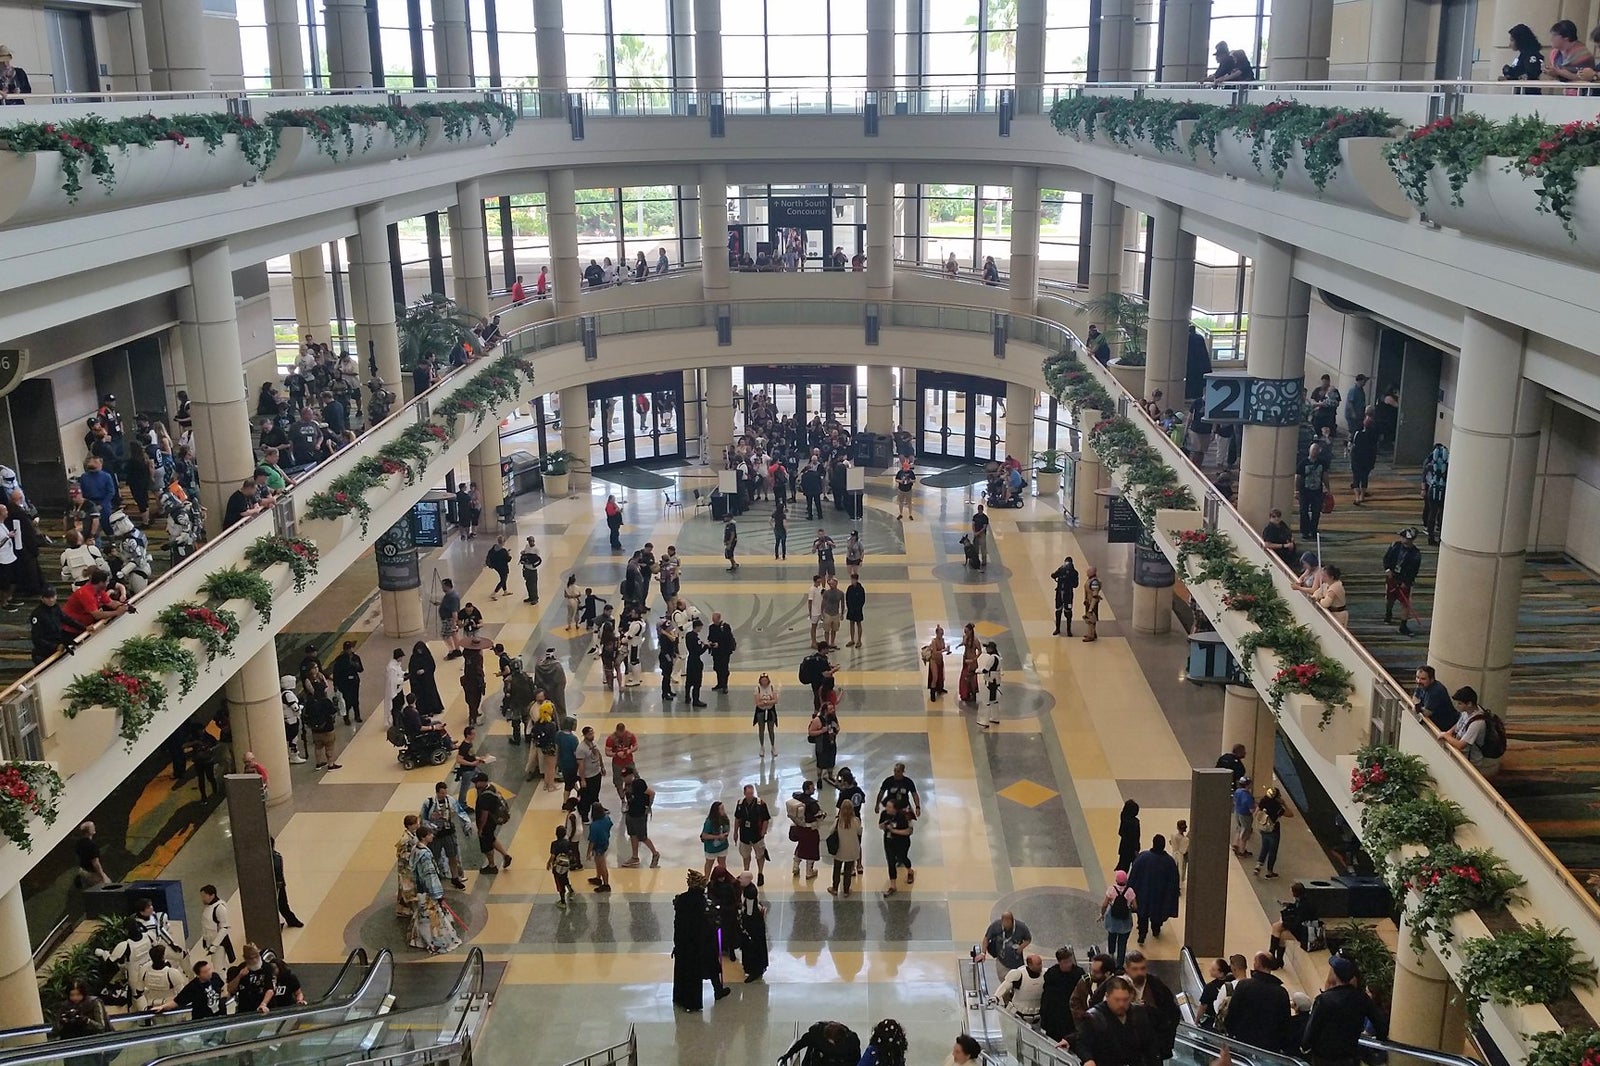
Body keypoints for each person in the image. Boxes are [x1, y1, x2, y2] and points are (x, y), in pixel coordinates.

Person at [1303, 955, 1387, 1066]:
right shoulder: (1362, 998)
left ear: (1336, 975)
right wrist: (1378, 1042)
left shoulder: (1323, 1000)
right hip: (1349, 1055)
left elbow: (1313, 1027)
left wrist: (1305, 1046)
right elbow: (1380, 1023)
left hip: (1324, 1057)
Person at [672, 870, 730, 1011]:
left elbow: (678, 923)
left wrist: (676, 943)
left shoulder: (681, 900)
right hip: (702, 944)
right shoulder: (703, 903)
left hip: (683, 943)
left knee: (684, 971)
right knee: (711, 967)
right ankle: (715, 992)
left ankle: (681, 998)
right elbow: (709, 923)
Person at [1075, 975, 1161, 1066]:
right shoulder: (1094, 1017)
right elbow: (1082, 1043)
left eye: (1125, 1000)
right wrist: (1088, 1059)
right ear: (1107, 997)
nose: (1121, 1004)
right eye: (1117, 1000)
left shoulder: (1138, 1014)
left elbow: (1150, 1045)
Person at [1224, 951, 1293, 1052]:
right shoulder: (1281, 993)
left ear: (1258, 964)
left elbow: (1232, 1013)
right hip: (1269, 1047)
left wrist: (1231, 1032)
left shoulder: (1244, 985)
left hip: (1242, 1042)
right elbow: (1284, 1023)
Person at [1121, 951, 1181, 1059]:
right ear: (1126, 968)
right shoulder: (1117, 984)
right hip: (1124, 1048)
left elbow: (1172, 1013)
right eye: (1135, 969)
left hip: (1152, 1050)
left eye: (1142, 968)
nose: (1140, 972)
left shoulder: (1155, 985)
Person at [1439, 685, 1504, 775]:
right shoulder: (1467, 711)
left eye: (1460, 703)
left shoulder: (1477, 723)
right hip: (1463, 755)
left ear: (1469, 704)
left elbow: (1460, 745)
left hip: (1470, 762)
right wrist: (1449, 732)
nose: (1457, 706)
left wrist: (1445, 735)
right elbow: (1459, 724)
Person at [1127, 835, 1180, 943]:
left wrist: (1129, 891)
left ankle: (1142, 933)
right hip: (1160, 896)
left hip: (1143, 894)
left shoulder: (1142, 857)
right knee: (1158, 914)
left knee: (1142, 914)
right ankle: (1156, 929)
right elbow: (1174, 881)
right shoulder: (1169, 862)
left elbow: (1133, 876)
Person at [422, 782, 467, 889]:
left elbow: (460, 812)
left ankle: (455, 878)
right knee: (435, 857)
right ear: (437, 792)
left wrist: (467, 822)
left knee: (452, 856)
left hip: (448, 833)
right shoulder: (429, 803)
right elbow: (423, 819)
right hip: (435, 835)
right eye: (442, 793)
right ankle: (434, 878)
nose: (444, 795)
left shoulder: (450, 800)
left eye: (445, 792)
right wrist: (432, 826)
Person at [1040, 947, 1087, 1041]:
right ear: (1059, 962)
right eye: (1066, 962)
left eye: (1070, 961)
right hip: (1055, 1017)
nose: (1069, 964)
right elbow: (1046, 998)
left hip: (1071, 1015)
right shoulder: (1051, 975)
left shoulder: (1079, 973)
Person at [1383, 528, 1423, 634]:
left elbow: (1414, 570)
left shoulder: (1415, 554)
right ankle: (1388, 613)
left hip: (1405, 580)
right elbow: (1386, 558)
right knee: (1390, 598)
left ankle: (1403, 625)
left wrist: (1407, 582)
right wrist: (1388, 570)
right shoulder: (1395, 546)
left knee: (1405, 603)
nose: (1403, 539)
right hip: (1392, 577)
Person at [474, 772, 513, 873]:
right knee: (491, 839)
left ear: (482, 782)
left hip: (487, 823)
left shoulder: (485, 796)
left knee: (486, 844)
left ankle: (492, 865)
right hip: (493, 821)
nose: (475, 785)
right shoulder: (492, 788)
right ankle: (505, 855)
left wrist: (481, 828)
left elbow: (484, 814)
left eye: (477, 782)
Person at [788, 779, 825, 879]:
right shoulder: (813, 804)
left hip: (798, 828)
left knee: (801, 846)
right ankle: (809, 871)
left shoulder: (797, 798)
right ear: (808, 789)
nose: (814, 789)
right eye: (812, 788)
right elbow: (819, 816)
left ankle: (795, 867)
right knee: (811, 850)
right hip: (810, 830)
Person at [982, 911, 1033, 983]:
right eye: (1004, 925)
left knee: (1018, 982)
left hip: (1017, 961)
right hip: (1001, 960)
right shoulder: (995, 926)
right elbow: (986, 938)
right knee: (1005, 983)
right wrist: (983, 953)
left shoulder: (1021, 927)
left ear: (1012, 921)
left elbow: (1028, 939)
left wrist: (1021, 947)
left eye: (1008, 925)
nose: (1006, 927)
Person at [1542, 19, 1594, 88]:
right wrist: (1552, 73)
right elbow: (1562, 77)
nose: (1551, 39)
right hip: (1566, 93)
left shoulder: (1582, 55)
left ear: (1566, 37)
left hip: (1582, 95)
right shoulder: (1555, 54)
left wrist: (1558, 72)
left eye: (1554, 35)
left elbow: (1584, 78)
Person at [736, 873, 768, 982]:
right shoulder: (749, 889)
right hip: (755, 923)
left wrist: (743, 923)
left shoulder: (749, 892)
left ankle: (754, 969)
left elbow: (749, 912)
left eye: (741, 878)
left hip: (753, 925)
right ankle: (755, 967)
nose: (739, 879)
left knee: (752, 946)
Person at [781, 1022, 861, 1066]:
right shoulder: (816, 1033)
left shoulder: (852, 1040)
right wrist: (787, 1055)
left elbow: (856, 1058)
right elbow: (802, 1043)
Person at [1254, 787, 1292, 878]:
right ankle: (1269, 871)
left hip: (1263, 828)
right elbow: (1290, 814)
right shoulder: (1277, 806)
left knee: (1264, 847)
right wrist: (1284, 804)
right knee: (1272, 851)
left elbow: (1256, 812)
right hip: (1273, 830)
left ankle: (1258, 866)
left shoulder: (1263, 801)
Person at [879, 797, 914, 894]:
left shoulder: (903, 816)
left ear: (895, 808)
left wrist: (894, 831)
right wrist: (884, 825)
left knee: (902, 857)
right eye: (887, 806)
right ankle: (893, 885)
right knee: (891, 862)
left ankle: (910, 870)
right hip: (889, 841)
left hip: (902, 842)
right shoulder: (884, 814)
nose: (887, 809)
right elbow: (880, 826)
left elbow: (908, 831)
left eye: (889, 807)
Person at [1412, 665, 1459, 731]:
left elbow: (1427, 713)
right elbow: (1414, 697)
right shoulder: (1422, 685)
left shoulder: (1436, 691)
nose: (1419, 681)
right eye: (1417, 677)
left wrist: (1418, 708)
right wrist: (1417, 706)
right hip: (1436, 724)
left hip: (1445, 727)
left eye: (1423, 679)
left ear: (1431, 679)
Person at [1297, 443, 1327, 538]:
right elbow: (1297, 477)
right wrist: (1296, 490)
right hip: (1304, 490)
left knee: (1316, 511)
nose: (1314, 452)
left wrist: (1328, 488)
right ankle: (1304, 531)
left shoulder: (1322, 463)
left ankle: (1313, 530)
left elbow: (1325, 475)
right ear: (1309, 450)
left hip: (1317, 490)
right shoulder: (1303, 463)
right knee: (1303, 511)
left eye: (1316, 450)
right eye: (1313, 449)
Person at [1421, 443, 1448, 545]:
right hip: (1443, 489)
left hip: (1432, 489)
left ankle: (1430, 537)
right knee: (1441, 514)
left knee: (1432, 512)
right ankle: (1441, 536)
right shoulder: (1447, 466)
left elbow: (1424, 477)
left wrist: (1423, 489)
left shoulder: (1429, 465)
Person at [586, 801, 614, 891]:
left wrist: (588, 852)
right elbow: (610, 825)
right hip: (605, 842)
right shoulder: (606, 818)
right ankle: (598, 878)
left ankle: (606, 884)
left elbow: (592, 841)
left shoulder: (594, 826)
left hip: (599, 846)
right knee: (598, 862)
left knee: (602, 864)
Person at [700, 800, 731, 876]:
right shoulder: (709, 822)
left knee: (722, 863)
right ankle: (706, 879)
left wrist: (725, 834)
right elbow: (704, 835)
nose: (723, 810)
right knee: (709, 863)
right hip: (711, 848)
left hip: (723, 846)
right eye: (721, 809)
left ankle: (723, 878)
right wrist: (717, 836)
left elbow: (727, 828)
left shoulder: (725, 819)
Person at [1050, 556, 1080, 636]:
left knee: (1068, 611)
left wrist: (1069, 577)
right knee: (1058, 610)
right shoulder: (1061, 570)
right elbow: (1053, 575)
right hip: (1059, 594)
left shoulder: (1074, 572)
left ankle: (1068, 629)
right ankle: (1057, 628)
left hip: (1068, 595)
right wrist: (1060, 571)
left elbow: (1076, 585)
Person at [1311, 563, 1348, 628]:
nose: (1322, 578)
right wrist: (1315, 597)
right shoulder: (1326, 584)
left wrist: (1319, 599)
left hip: (1338, 614)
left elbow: (1326, 603)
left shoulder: (1336, 586)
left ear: (1331, 577)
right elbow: (1317, 592)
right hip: (1331, 613)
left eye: (1324, 576)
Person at [1231, 775, 1255, 856]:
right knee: (1245, 833)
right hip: (1245, 815)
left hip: (1237, 812)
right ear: (1248, 785)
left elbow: (1234, 801)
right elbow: (1252, 810)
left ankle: (1235, 844)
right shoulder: (1248, 796)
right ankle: (1242, 851)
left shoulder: (1237, 791)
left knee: (1239, 827)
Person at [1116, 799, 1141, 871]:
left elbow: (1121, 833)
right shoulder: (1135, 822)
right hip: (1133, 849)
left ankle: (1120, 880)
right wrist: (1137, 849)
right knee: (1136, 869)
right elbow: (1136, 837)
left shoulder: (1123, 817)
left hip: (1124, 848)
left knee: (1123, 868)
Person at [924, 624, 947, 699]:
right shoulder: (934, 641)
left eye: (942, 633)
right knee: (935, 677)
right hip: (934, 660)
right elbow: (935, 652)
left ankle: (940, 688)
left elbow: (943, 647)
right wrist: (943, 650)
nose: (941, 635)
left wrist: (946, 649)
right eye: (940, 633)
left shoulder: (942, 640)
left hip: (940, 659)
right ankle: (932, 693)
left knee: (941, 675)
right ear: (937, 633)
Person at [1082, 566, 1102, 642]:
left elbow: (1095, 595)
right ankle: (1092, 633)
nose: (1086, 573)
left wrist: (1091, 608)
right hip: (1088, 602)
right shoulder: (1090, 580)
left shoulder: (1094, 582)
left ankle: (1091, 635)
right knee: (1089, 618)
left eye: (1088, 571)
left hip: (1092, 603)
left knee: (1091, 618)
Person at [970, 503, 990, 568]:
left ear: (982, 510)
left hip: (982, 535)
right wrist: (974, 532)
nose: (979, 511)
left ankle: (984, 561)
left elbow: (984, 527)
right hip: (976, 534)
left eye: (980, 509)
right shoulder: (975, 516)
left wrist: (978, 533)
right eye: (978, 509)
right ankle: (976, 560)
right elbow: (973, 524)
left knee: (983, 548)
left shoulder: (985, 518)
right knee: (975, 549)